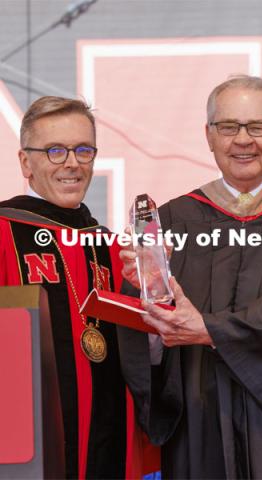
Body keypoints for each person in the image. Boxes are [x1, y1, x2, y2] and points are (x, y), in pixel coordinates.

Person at [118, 75, 262, 478]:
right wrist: (153, 309)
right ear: (209, 137)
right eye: (228, 127)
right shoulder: (173, 219)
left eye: (257, 127)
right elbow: (146, 348)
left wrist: (209, 329)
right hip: (198, 421)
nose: (242, 140)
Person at [0, 96, 155, 478]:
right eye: (55, 151)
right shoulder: (4, 232)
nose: (72, 163)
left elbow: (142, 356)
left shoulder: (113, 247)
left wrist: (155, 292)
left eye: (83, 150)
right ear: (25, 162)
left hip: (109, 443)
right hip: (25, 448)